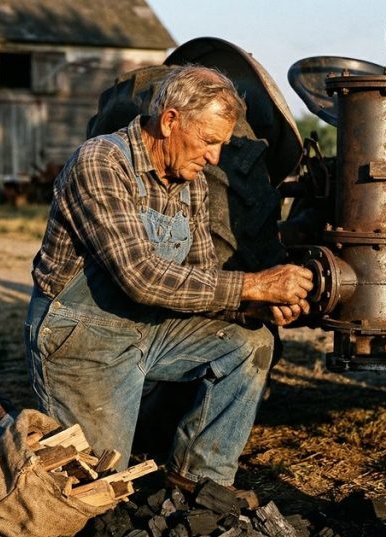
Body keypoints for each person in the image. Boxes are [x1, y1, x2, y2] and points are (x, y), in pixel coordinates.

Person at [23, 65, 313, 489]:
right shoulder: (101, 162)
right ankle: (5, 436)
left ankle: (200, 482)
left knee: (250, 345)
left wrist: (255, 307)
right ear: (170, 120)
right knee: (97, 486)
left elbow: (199, 277)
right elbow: (141, 277)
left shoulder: (188, 180)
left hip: (149, 330)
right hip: (82, 335)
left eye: (221, 145)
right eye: (209, 141)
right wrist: (254, 284)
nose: (215, 157)